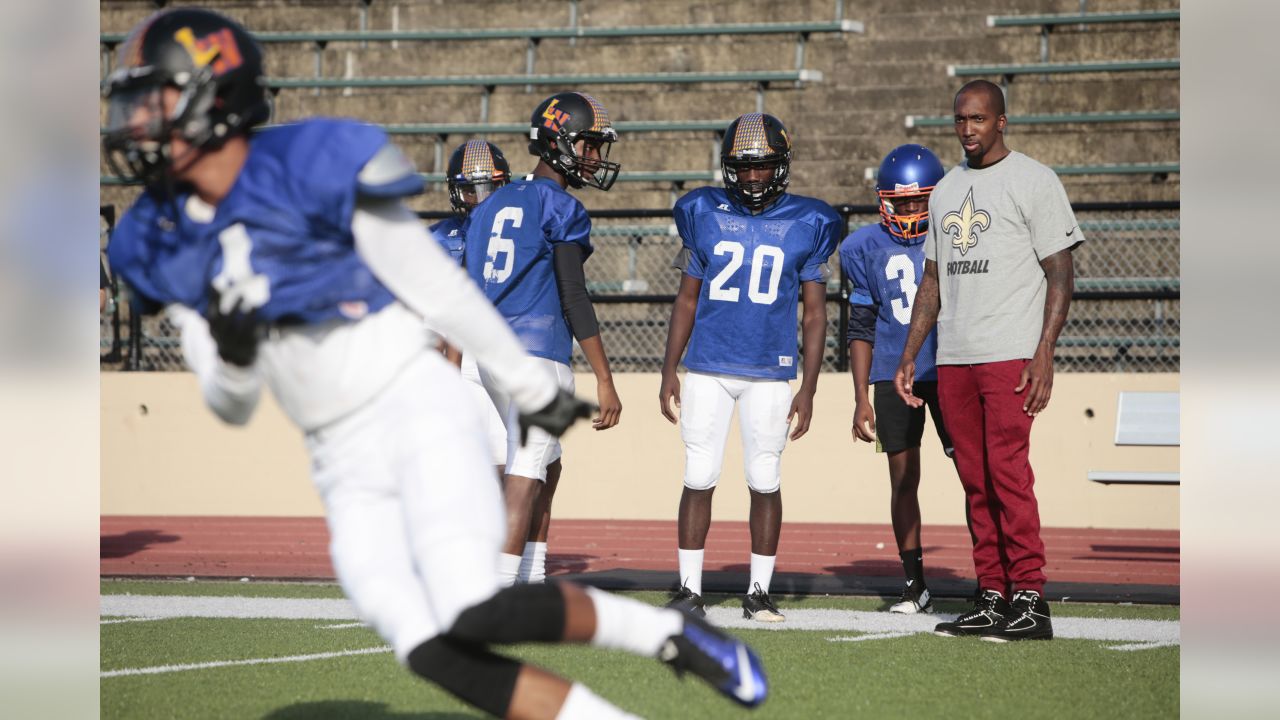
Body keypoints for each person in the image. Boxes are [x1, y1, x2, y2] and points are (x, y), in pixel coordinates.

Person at [102, 9, 767, 718]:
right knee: (430, 649)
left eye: (155, 98)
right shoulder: (156, 235)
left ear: (216, 95)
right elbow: (229, 401)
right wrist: (235, 352)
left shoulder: (314, 168)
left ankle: (668, 631)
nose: (136, 118)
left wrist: (517, 377)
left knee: (471, 606)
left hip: (414, 405)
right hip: (340, 459)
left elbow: (438, 287)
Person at [895, 79, 1082, 642]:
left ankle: (1031, 597)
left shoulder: (1034, 179)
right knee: (975, 481)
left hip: (1009, 354)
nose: (967, 130)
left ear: (1001, 121)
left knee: (1008, 476)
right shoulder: (946, 189)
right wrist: (910, 355)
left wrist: (1044, 350)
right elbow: (931, 281)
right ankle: (992, 593)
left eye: (978, 119)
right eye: (960, 120)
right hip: (954, 357)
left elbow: (1061, 272)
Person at [659, 113, 841, 622]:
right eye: (744, 167)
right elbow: (687, 300)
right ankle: (689, 589)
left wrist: (809, 387)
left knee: (764, 477)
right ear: (727, 168)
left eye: (763, 167)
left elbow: (816, 312)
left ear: (781, 167)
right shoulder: (703, 211)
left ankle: (759, 591)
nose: (753, 177)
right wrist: (669, 368)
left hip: (770, 368)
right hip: (709, 365)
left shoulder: (811, 220)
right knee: (699, 472)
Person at [465, 92, 623, 588]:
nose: (594, 157)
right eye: (588, 145)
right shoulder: (560, 206)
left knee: (546, 463)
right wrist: (604, 377)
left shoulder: (492, 203)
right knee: (526, 471)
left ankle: (529, 576)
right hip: (535, 351)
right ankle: (497, 592)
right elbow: (574, 297)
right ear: (558, 141)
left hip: (489, 352)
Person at [840, 144, 956, 614]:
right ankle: (915, 584)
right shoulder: (861, 247)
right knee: (903, 479)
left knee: (975, 475)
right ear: (883, 200)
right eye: (900, 201)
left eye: (918, 201)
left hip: (950, 366)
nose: (909, 211)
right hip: (892, 371)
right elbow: (861, 327)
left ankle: (996, 578)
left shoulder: (955, 236)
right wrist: (859, 397)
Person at [429, 140, 511, 479]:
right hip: (459, 354)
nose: (480, 199)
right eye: (470, 190)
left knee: (518, 462)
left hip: (508, 348)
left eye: (490, 188)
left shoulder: (519, 230)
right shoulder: (441, 238)